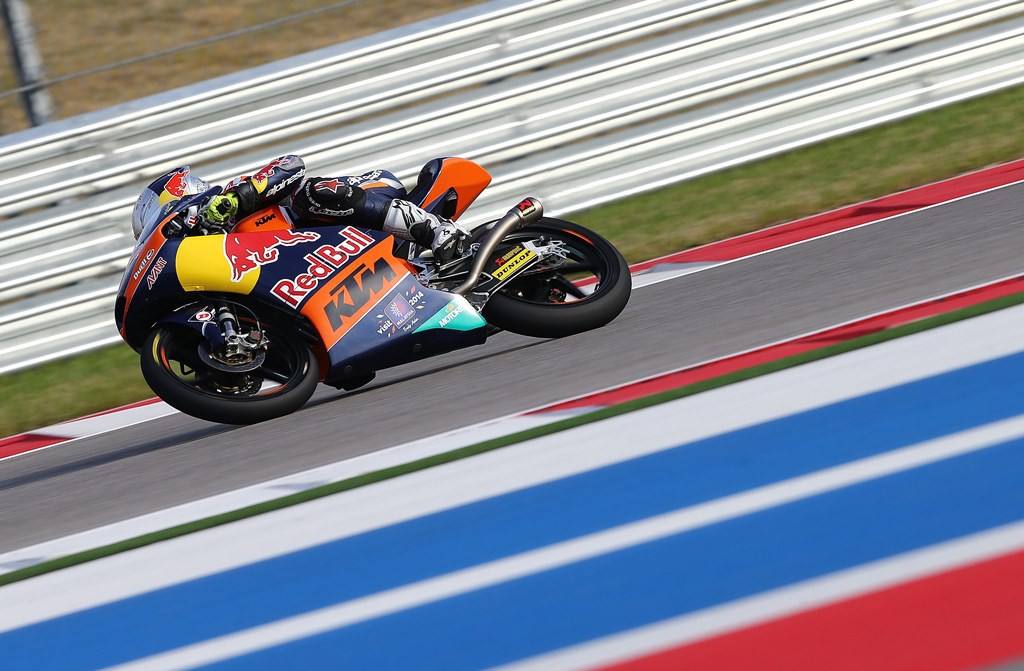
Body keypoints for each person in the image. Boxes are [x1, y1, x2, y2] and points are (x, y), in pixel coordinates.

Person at [131, 155, 470, 262]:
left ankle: (438, 231)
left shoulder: (234, 198)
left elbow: (291, 164)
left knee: (310, 193)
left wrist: (237, 199)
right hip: (343, 261)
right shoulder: (227, 252)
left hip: (364, 200)